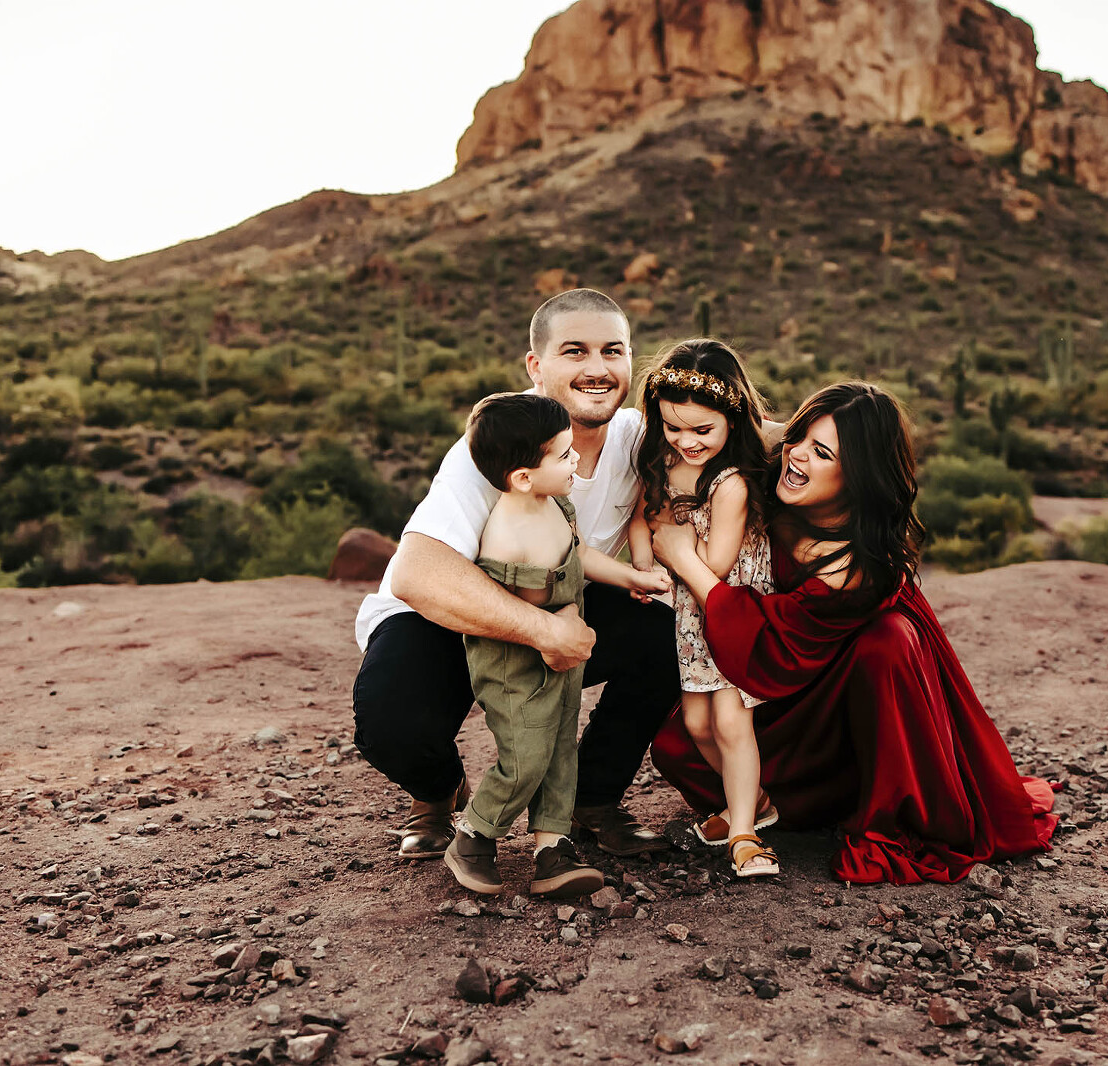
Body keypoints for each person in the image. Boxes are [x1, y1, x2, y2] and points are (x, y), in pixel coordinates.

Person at [649, 382, 1058, 884]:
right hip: (788, 693)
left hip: (854, 695)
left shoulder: (858, 565)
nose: (796, 457)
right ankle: (772, 799)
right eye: (799, 438)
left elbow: (773, 641)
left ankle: (880, 797)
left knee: (887, 640)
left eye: (822, 453)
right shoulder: (782, 462)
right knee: (679, 746)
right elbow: (719, 422)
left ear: (857, 475)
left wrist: (685, 561)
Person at [353, 289, 680, 861]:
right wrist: (542, 631)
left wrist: (817, 437)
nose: (598, 370)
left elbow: (743, 432)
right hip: (451, 613)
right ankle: (436, 789)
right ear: (536, 365)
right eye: (574, 352)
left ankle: (591, 800)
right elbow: (415, 572)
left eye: (614, 351)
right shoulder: (498, 441)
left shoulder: (638, 435)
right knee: (391, 719)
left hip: (563, 601)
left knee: (666, 634)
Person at [443, 393, 669, 897]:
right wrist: (559, 619)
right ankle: (474, 834)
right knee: (526, 753)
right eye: (565, 456)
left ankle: (552, 845)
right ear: (523, 476)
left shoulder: (556, 503)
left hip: (564, 656)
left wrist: (632, 576)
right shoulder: (506, 533)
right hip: (518, 663)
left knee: (561, 746)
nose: (576, 463)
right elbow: (514, 613)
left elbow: (579, 553)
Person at [627, 340, 779, 879]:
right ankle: (755, 801)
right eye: (673, 427)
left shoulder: (732, 482)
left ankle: (744, 834)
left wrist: (675, 541)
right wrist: (646, 566)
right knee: (696, 721)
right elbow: (642, 518)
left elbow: (714, 562)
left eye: (701, 430)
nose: (686, 441)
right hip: (690, 613)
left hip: (728, 607)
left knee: (732, 722)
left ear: (731, 422)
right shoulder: (663, 463)